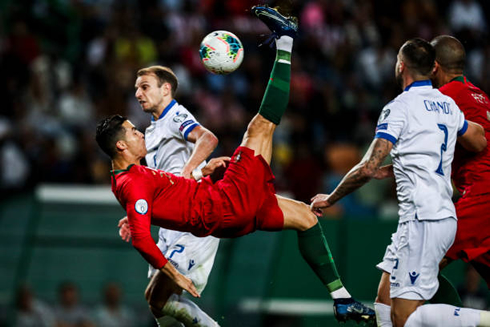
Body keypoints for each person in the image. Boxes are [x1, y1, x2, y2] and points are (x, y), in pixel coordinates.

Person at [96, 5, 376, 326]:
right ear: (121, 146)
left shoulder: (131, 175)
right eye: (131, 132)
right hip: (225, 204)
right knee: (261, 125)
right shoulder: (136, 178)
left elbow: (167, 181)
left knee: (305, 218)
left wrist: (191, 175)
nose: (137, 128)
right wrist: (176, 189)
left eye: (143, 87)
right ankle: (285, 40)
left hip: (228, 214)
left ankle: (342, 299)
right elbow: (148, 220)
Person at [310, 38, 488, 327]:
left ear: (401, 66)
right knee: (384, 302)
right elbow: (478, 139)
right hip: (434, 217)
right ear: (432, 68)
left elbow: (367, 167)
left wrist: (330, 198)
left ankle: (483, 319)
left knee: (404, 316)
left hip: (424, 221)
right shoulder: (447, 104)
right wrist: (402, 164)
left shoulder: (399, 107)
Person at [117, 64, 220, 327]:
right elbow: (157, 183)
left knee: (159, 298)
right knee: (158, 306)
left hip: (192, 220)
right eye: (136, 89)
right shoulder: (151, 131)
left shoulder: (175, 116)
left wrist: (188, 173)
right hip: (170, 224)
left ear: (166, 89)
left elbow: (208, 139)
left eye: (144, 87)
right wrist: (139, 214)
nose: (138, 94)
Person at [430, 35, 490, 294]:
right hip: (480, 196)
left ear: (434, 66)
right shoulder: (480, 95)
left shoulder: (443, 97)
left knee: (420, 265)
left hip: (480, 197)